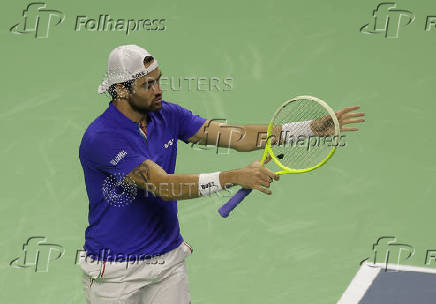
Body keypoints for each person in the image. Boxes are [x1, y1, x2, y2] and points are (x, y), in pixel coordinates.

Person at [78, 44, 364, 304]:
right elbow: (163, 186)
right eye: (147, 84)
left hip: (166, 262)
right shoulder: (102, 138)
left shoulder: (167, 115)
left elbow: (235, 136)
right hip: (115, 272)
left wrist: (308, 129)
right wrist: (232, 177)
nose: (158, 89)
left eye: (158, 79)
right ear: (122, 91)